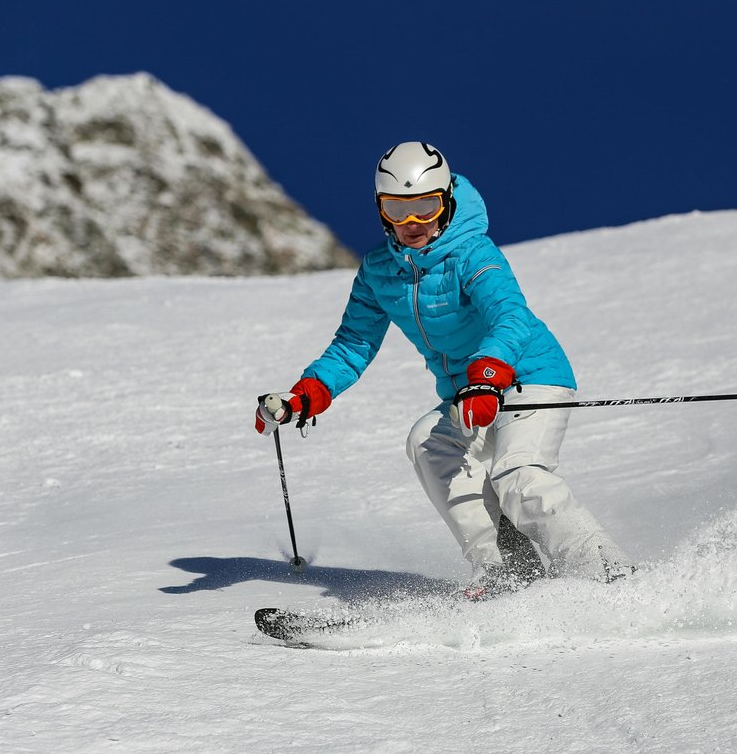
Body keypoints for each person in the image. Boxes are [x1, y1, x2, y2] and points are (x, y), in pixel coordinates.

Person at [255, 141, 632, 599]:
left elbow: (509, 314)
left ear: (447, 201)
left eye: (425, 207)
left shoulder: (473, 253)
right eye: (397, 209)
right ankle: (506, 574)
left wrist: (488, 375)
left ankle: (608, 572)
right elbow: (353, 344)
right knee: (426, 442)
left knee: (517, 474)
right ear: (381, 210)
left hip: (528, 374)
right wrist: (306, 395)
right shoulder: (379, 272)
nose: (412, 224)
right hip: (468, 393)